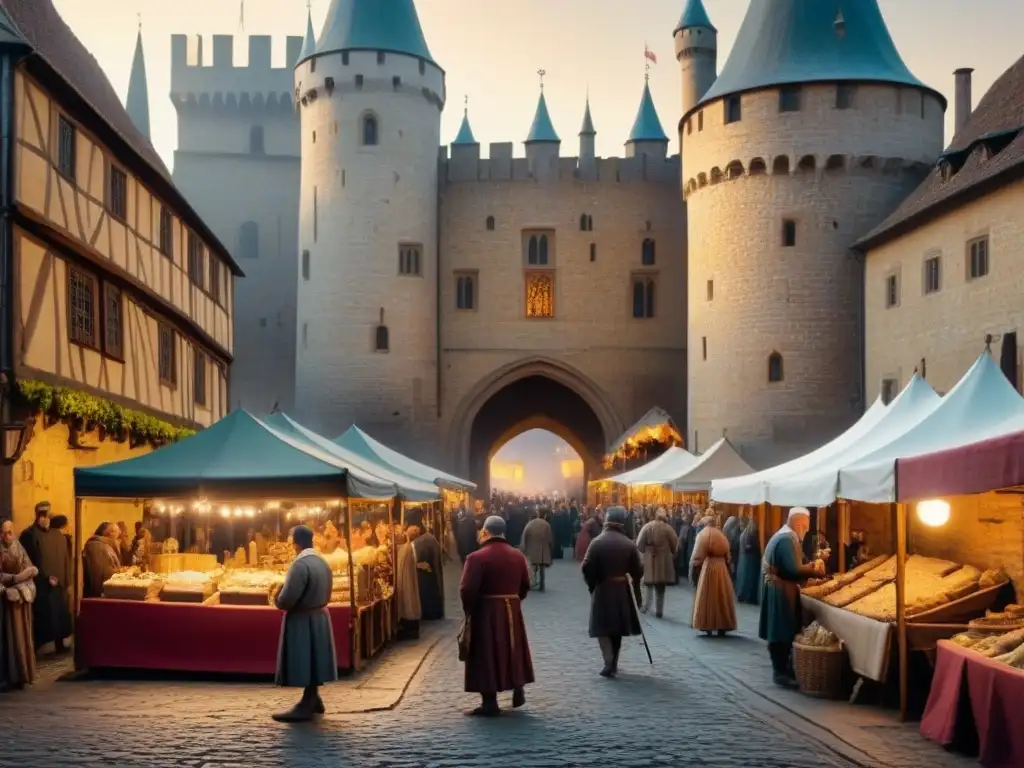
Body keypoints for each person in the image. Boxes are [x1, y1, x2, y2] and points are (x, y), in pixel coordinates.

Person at [459, 515, 533, 717]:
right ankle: (517, 685)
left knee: (487, 653)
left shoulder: (476, 557)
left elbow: (467, 589)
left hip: (487, 611)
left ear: (485, 532)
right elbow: (526, 585)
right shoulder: (518, 556)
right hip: (512, 608)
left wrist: (470, 610)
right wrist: (514, 601)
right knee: (512, 648)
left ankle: (489, 703)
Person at [272, 525, 336, 722]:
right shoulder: (322, 562)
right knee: (314, 657)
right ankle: (313, 697)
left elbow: (286, 599)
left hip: (303, 618)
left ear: (295, 544)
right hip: (319, 615)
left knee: (306, 658)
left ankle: (307, 702)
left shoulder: (300, 565)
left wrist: (276, 594)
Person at [759, 507, 825, 688]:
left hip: (777, 588)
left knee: (780, 629)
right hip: (780, 590)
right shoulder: (787, 539)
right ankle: (780, 672)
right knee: (781, 630)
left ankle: (784, 668)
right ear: (798, 523)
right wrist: (814, 569)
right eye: (805, 526)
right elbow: (793, 569)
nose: (806, 530)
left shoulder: (785, 536)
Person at [581, 506, 643, 678]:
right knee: (617, 628)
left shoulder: (597, 542)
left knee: (603, 628)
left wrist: (592, 584)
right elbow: (638, 570)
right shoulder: (629, 544)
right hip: (622, 589)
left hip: (603, 588)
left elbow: (586, 567)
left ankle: (608, 662)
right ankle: (613, 662)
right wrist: (636, 589)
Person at [19, 502, 71, 652]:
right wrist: (44, 577)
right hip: (41, 583)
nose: (44, 518)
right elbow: (29, 559)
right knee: (43, 615)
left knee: (60, 614)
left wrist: (66, 580)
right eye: (41, 515)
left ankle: (59, 643)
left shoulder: (58, 534)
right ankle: (35, 648)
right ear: (36, 515)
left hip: (59, 580)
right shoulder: (29, 534)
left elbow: (65, 558)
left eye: (47, 515)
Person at [1, 520, 38, 689]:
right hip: (5, 600)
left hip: (21, 598)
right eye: (4, 532)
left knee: (22, 636)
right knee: (7, 637)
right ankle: (8, 675)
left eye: (10, 532)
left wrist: (27, 574)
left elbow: (27, 565)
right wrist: (12, 580)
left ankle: (22, 673)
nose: (8, 536)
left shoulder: (18, 546)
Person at [690, 514, 738, 636]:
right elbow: (728, 555)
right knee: (722, 596)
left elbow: (698, 555)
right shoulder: (722, 535)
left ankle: (708, 625)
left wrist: (694, 565)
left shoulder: (704, 534)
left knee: (709, 595)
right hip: (722, 568)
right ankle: (723, 625)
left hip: (710, 566)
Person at [635, 509, 678, 618]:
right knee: (660, 587)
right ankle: (659, 611)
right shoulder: (668, 528)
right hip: (663, 561)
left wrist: (647, 549)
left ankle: (645, 606)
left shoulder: (647, 527)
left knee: (646, 583)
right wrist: (671, 552)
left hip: (649, 559)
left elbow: (639, 544)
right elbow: (675, 545)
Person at [410, 524, 444, 621]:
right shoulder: (430, 539)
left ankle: (430, 612)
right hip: (431, 573)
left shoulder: (419, 542)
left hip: (425, 573)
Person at [394, 529, 422, 640]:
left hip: (406, 581)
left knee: (408, 601)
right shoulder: (408, 548)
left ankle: (409, 629)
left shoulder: (405, 550)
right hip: (409, 580)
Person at [81, 523, 122, 598]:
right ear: (110, 533)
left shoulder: (105, 545)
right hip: (100, 594)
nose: (119, 535)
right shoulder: (97, 546)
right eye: (117, 532)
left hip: (106, 590)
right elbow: (97, 573)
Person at [520, 509, 553, 592]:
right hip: (543, 549)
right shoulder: (546, 524)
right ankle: (542, 584)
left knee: (532, 567)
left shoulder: (529, 525)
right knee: (542, 567)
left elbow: (524, 537)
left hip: (531, 549)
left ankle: (531, 582)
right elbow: (550, 539)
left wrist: (523, 548)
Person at [735, 517, 762, 605]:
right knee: (749, 579)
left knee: (743, 578)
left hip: (744, 559)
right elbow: (750, 547)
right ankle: (748, 597)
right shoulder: (750, 535)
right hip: (750, 560)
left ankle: (742, 595)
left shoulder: (744, 534)